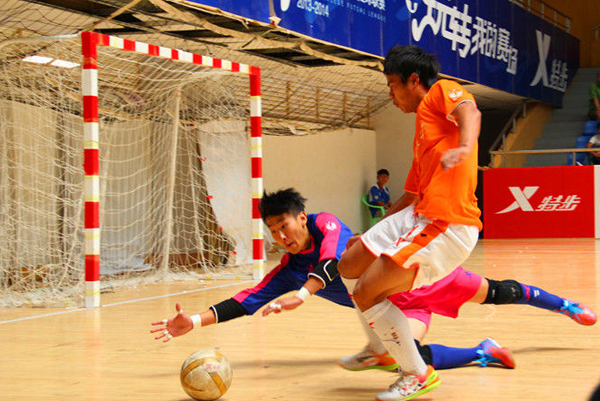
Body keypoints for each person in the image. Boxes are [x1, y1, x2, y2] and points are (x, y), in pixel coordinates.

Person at [149, 188, 515, 372]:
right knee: (412, 361)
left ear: (302, 217)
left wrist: (302, 296)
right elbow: (246, 301)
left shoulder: (327, 224)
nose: (281, 236)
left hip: (416, 280)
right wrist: (194, 321)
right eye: (273, 231)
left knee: (501, 292)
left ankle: (378, 351)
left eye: (284, 225)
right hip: (387, 304)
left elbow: (330, 266)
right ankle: (482, 351)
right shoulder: (289, 269)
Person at [337, 44, 485, 401]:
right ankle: (379, 349)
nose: (390, 95)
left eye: (392, 86)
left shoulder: (439, 92)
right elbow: (409, 197)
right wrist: (369, 233)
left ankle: (416, 373)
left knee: (366, 292)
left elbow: (470, 110)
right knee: (349, 263)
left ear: (413, 80)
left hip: (448, 224)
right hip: (418, 213)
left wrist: (466, 148)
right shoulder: (423, 130)